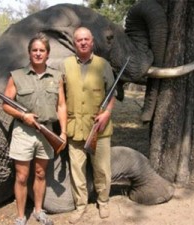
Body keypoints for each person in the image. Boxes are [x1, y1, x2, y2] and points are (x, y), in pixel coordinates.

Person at [2, 33, 67, 225]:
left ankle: (39, 211)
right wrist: (24, 116)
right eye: (34, 50)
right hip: (23, 132)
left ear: (47, 54)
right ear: (29, 53)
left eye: (42, 50)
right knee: (22, 176)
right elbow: (5, 104)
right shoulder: (17, 76)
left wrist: (62, 132)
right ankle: (21, 217)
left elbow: (61, 105)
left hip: (47, 132)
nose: (38, 53)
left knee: (40, 174)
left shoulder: (56, 76)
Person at [61, 27, 116, 224]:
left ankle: (103, 201)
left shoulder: (104, 65)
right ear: (74, 43)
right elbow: (60, 97)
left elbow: (112, 94)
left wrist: (107, 114)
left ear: (92, 42)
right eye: (79, 40)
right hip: (74, 126)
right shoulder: (65, 65)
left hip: (99, 128)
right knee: (77, 170)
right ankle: (80, 206)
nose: (83, 42)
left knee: (102, 169)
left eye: (86, 39)